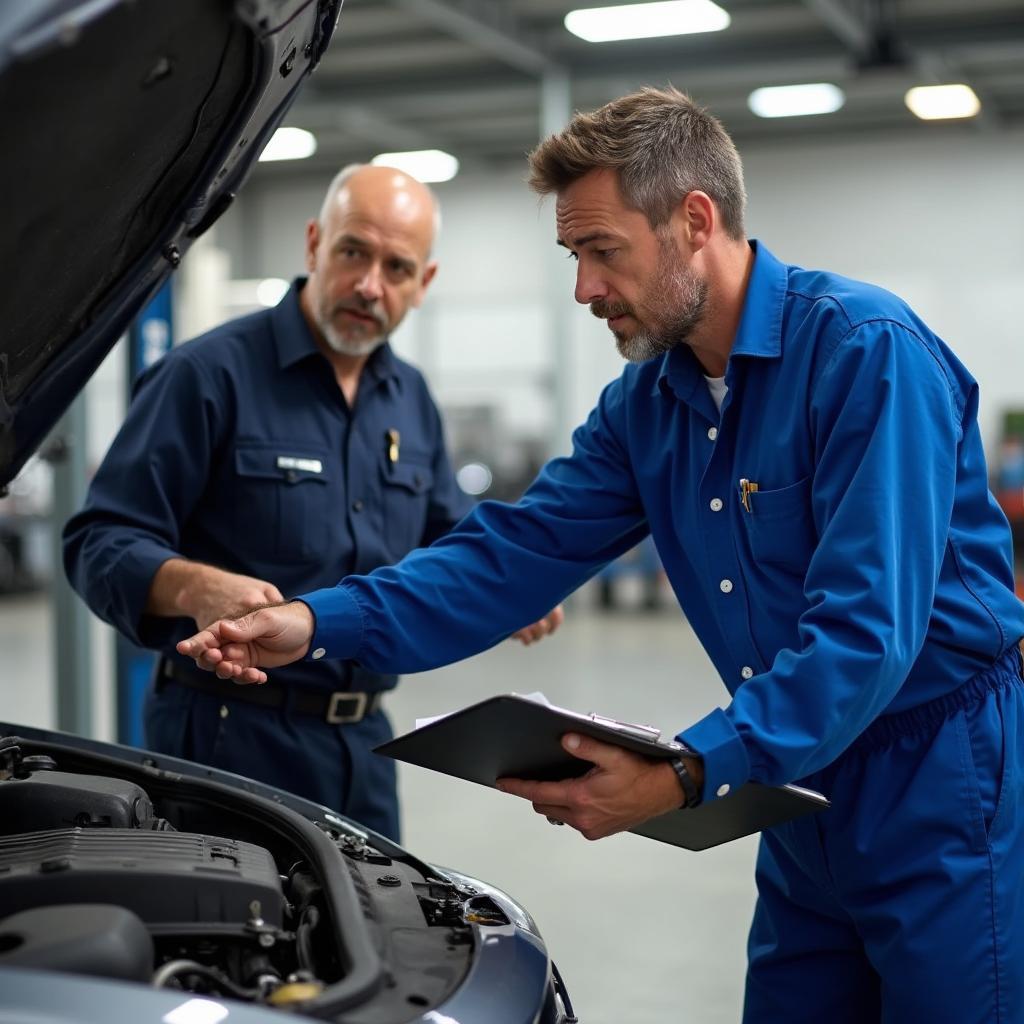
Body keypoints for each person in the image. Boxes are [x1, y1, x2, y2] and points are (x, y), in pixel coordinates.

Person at [177, 88, 1024, 1023]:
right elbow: (514, 552)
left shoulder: (868, 354)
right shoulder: (649, 404)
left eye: (603, 250)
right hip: (798, 786)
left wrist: (686, 772)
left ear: (694, 221)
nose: (584, 288)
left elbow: (867, 636)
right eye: (572, 255)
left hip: (942, 784)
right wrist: (312, 622)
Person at [63, 164, 562, 842]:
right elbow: (98, 541)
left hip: (364, 745)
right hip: (226, 740)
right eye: (353, 251)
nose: (368, 285)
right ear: (313, 244)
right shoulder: (206, 376)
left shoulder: (409, 399)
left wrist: (511, 581)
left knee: (378, 940)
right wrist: (194, 586)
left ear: (425, 284)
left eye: (396, 267)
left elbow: (450, 537)